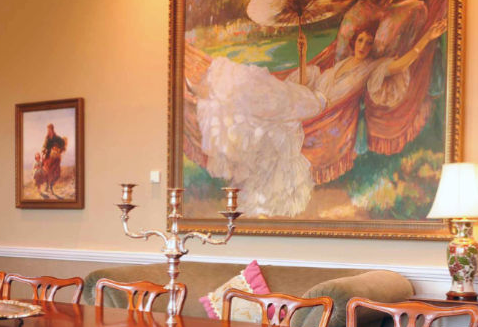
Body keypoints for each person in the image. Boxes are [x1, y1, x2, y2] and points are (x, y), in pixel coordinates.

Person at [191, 12, 447, 217]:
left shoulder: (372, 68)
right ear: (354, 41)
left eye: (369, 43)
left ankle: (213, 91)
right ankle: (216, 94)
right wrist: (302, 54)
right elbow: (305, 83)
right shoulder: (341, 64)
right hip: (307, 97)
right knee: (271, 95)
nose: (363, 46)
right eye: (360, 40)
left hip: (319, 106)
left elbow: (400, 64)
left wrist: (427, 38)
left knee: (273, 94)